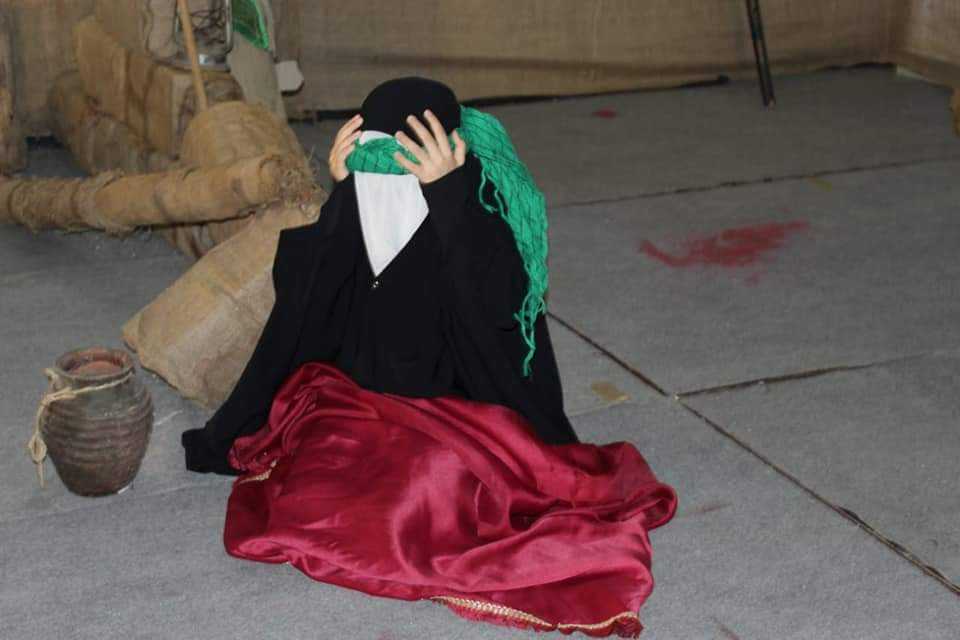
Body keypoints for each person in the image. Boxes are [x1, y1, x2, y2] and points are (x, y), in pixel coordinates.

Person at [182, 77, 676, 637]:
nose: (383, 190)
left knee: (428, 485)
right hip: (356, 401)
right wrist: (342, 196)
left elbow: (498, 313)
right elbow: (309, 300)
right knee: (316, 477)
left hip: (455, 415)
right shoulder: (358, 201)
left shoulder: (473, 218)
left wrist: (450, 195)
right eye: (372, 171)